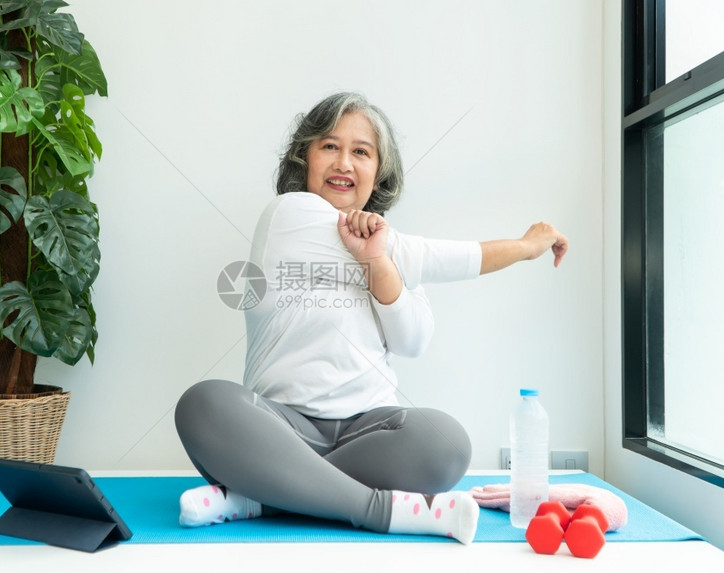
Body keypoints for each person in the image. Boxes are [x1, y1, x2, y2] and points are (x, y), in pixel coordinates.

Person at [174, 92, 568, 544]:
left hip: (370, 431)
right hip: (279, 430)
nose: (344, 162)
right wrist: (522, 247)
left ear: (378, 172)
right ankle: (380, 510)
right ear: (305, 158)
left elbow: (413, 341)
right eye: (329, 146)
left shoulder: (392, 252)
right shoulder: (289, 215)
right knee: (204, 403)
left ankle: (262, 496)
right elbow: (429, 256)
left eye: (361, 151)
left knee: (447, 443)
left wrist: (376, 262)